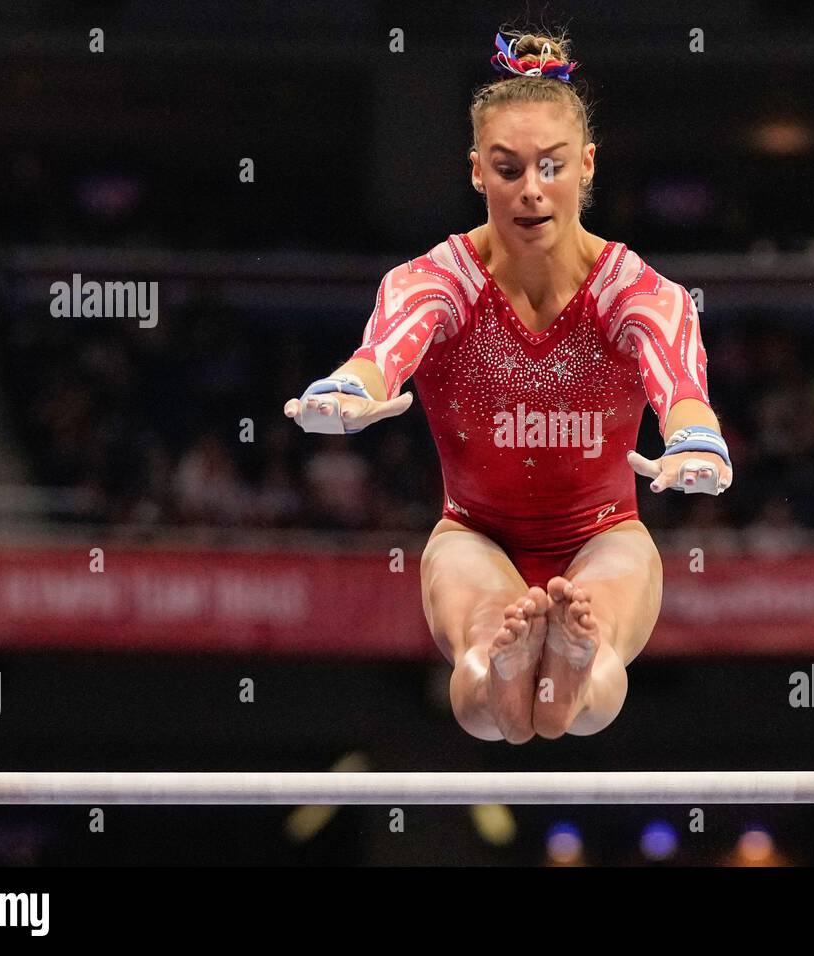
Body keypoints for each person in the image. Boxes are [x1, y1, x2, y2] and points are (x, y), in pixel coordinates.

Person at [285, 29, 733, 743]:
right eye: (508, 167)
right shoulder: (438, 280)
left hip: (603, 533)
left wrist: (695, 437)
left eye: (551, 166)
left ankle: (577, 663)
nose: (531, 189)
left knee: (598, 650)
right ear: (475, 172)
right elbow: (385, 350)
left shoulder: (636, 291)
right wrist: (345, 389)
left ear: (586, 166)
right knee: (483, 684)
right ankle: (511, 664)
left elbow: (679, 380)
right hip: (475, 533)